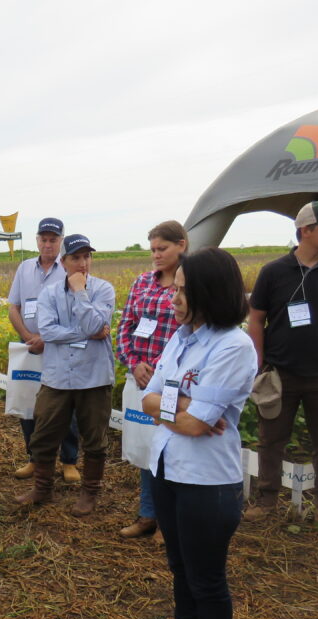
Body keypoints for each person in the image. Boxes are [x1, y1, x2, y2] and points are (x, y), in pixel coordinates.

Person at [138, 247, 257, 619]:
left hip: (208, 482)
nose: (173, 296)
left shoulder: (233, 346)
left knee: (207, 578)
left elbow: (192, 423)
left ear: (209, 291)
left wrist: (181, 409)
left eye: (184, 290)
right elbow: (149, 399)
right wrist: (187, 406)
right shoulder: (183, 338)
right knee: (180, 568)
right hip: (168, 468)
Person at [245, 200, 318, 526]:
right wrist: (259, 366)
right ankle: (266, 500)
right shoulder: (274, 272)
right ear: (305, 231)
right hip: (281, 375)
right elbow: (256, 319)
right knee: (271, 441)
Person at [15, 234, 115, 515]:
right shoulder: (49, 294)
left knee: (94, 439)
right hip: (57, 376)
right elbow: (46, 331)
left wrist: (81, 292)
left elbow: (98, 322)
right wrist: (85, 333)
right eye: (76, 258)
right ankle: (42, 488)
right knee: (44, 433)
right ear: (64, 261)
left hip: (94, 377)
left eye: (87, 257)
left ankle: (89, 493)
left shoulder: (104, 290)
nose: (83, 263)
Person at [114, 221, 186, 543]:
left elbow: (192, 335)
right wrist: (134, 363)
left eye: (163, 248)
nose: (156, 255)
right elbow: (125, 328)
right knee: (146, 447)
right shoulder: (142, 283)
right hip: (140, 380)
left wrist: (158, 372)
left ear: (181, 245)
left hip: (173, 385)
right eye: (153, 249)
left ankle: (170, 522)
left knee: (172, 448)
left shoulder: (189, 285)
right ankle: (148, 515)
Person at [7, 217, 80, 484]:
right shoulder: (24, 268)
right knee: (30, 401)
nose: (48, 244)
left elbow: (75, 314)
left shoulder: (69, 271)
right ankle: (35, 458)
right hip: (30, 347)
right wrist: (27, 335)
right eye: (44, 239)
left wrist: (46, 339)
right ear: (37, 240)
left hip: (59, 347)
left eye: (53, 240)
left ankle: (69, 460)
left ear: (61, 241)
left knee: (65, 404)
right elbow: (13, 306)